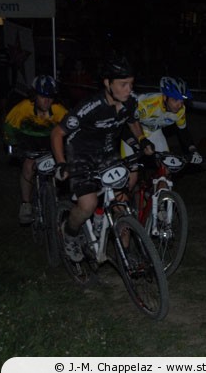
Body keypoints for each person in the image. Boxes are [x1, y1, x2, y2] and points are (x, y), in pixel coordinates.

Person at [50, 54, 154, 262]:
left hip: (107, 152)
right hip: (79, 154)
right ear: (107, 83)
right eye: (123, 84)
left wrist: (142, 139)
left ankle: (125, 254)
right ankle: (70, 233)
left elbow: (132, 122)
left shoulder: (130, 102)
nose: (129, 89)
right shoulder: (90, 107)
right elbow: (57, 133)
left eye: (131, 84)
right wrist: (61, 163)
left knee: (121, 202)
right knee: (87, 204)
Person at [3, 75, 67, 225]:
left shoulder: (59, 110)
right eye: (42, 96)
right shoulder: (22, 108)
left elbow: (72, 127)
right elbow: (8, 128)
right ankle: (26, 204)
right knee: (28, 165)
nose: (47, 101)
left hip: (50, 140)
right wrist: (12, 144)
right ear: (34, 95)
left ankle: (56, 198)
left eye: (50, 97)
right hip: (28, 140)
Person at [121, 76, 203, 190]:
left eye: (182, 100)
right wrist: (137, 144)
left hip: (154, 132)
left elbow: (183, 132)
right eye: (175, 100)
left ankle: (159, 202)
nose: (179, 105)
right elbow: (124, 124)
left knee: (166, 171)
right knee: (132, 178)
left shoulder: (180, 110)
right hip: (133, 133)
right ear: (164, 97)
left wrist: (193, 150)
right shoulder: (146, 103)